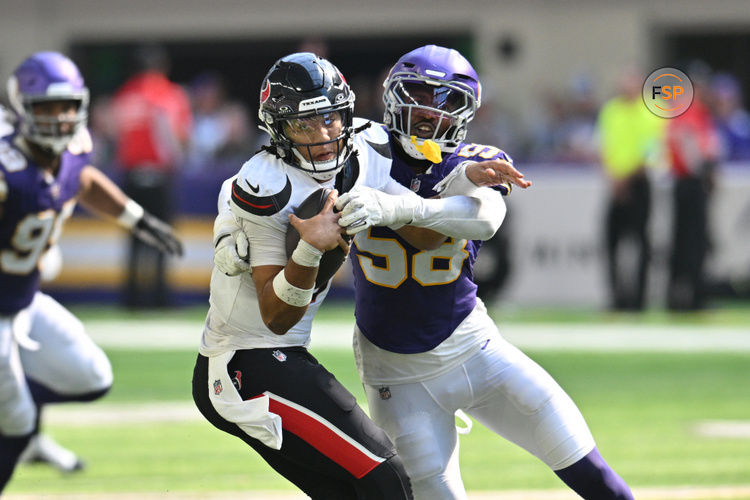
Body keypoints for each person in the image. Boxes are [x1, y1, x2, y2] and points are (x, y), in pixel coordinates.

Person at [215, 46, 633, 500]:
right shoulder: (360, 151)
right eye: (416, 95)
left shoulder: (468, 157)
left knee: (593, 474)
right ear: (391, 97)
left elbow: (484, 219)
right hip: (395, 373)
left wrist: (393, 205)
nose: (428, 113)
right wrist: (227, 227)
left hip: (477, 348)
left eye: (444, 101)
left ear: (467, 109)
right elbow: (260, 178)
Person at [195, 52, 524, 500]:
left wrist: (461, 176)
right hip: (242, 363)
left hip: (285, 355)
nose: (323, 136)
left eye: (329, 119)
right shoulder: (265, 186)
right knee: (386, 478)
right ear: (277, 129)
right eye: (303, 126)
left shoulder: (364, 146)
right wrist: (310, 246)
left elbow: (422, 237)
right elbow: (276, 317)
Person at [0, 51, 183, 492]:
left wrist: (139, 220)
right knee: (17, 421)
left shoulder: (76, 146)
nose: (60, 118)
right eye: (47, 107)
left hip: (23, 300)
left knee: (91, 375)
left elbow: (82, 181)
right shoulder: (8, 171)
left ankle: (19, 418)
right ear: (22, 107)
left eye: (66, 106)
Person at [109, 44, 192, 308]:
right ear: (161, 66)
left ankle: (131, 299)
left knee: (133, 238)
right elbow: (177, 136)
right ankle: (159, 299)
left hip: (131, 176)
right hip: (159, 176)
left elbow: (113, 133)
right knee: (161, 237)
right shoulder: (168, 93)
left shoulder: (124, 96)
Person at [597, 68, 664, 311]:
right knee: (611, 243)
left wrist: (624, 178)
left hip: (638, 183)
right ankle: (617, 299)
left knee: (641, 244)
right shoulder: (611, 110)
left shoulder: (651, 111)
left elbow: (651, 151)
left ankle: (639, 300)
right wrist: (614, 178)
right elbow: (604, 145)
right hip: (615, 183)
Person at [665, 64, 721, 310]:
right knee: (689, 241)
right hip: (688, 183)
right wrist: (706, 171)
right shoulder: (687, 113)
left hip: (690, 184)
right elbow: (694, 154)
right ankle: (688, 297)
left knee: (693, 240)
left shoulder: (697, 113)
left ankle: (688, 295)